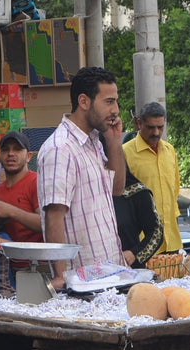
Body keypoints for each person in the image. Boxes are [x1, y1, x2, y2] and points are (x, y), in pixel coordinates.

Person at [36, 66, 126, 288]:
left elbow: (117, 189)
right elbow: (54, 216)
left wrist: (114, 142)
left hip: (111, 273)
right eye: (108, 101)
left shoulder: (94, 141)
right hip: (81, 283)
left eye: (116, 102)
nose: (115, 109)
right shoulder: (60, 149)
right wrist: (60, 277)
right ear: (84, 102)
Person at [123, 101, 182, 255]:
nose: (156, 132)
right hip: (142, 245)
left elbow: (174, 193)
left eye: (160, 127)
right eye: (151, 127)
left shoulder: (170, 151)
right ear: (138, 123)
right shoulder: (125, 153)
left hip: (171, 243)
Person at [0, 130, 43, 244]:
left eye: (17, 149)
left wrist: (10, 211)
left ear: (29, 156)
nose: (10, 154)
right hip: (7, 260)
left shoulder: (37, 182)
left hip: (36, 260)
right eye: (5, 149)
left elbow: (47, 224)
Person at [113, 169, 163, 268]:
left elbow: (156, 231)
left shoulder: (136, 192)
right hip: (89, 272)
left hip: (129, 272)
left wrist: (135, 254)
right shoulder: (86, 194)